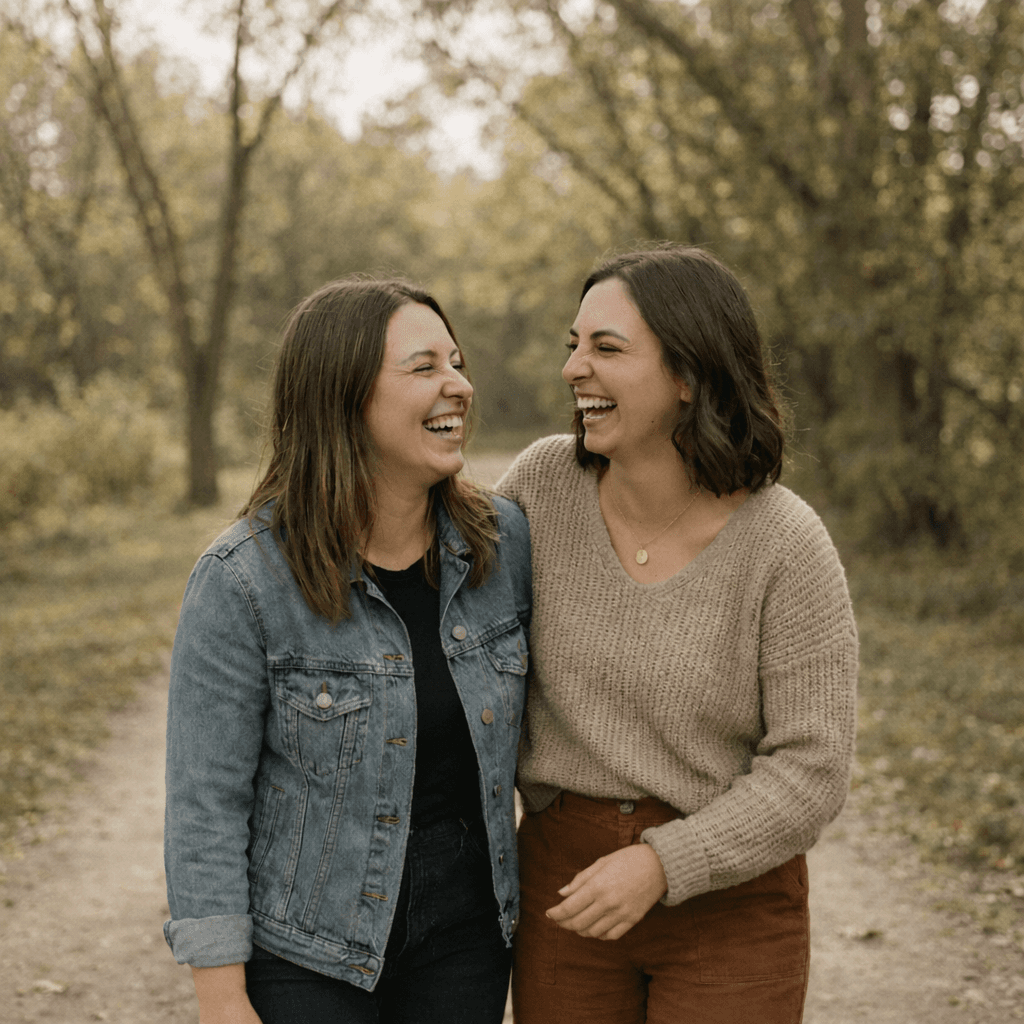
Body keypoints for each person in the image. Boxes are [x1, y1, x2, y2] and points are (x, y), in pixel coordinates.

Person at [499, 244, 858, 1024]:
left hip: (732, 902)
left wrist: (664, 864)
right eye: (574, 345)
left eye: (606, 348)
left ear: (688, 375)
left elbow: (814, 767)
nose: (572, 369)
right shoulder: (539, 489)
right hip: (566, 893)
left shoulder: (786, 543)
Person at [163, 277, 531, 1024]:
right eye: (424, 367)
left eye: (457, 363)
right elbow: (206, 805)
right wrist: (221, 996)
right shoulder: (243, 580)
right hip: (306, 948)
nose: (460, 385)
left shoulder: (502, 544)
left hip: (465, 936)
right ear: (344, 396)